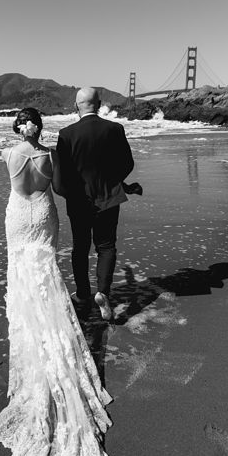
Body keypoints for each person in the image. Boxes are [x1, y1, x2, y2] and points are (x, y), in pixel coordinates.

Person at [0, 107, 113, 456]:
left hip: (17, 218)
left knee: (22, 276)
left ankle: (31, 332)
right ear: (38, 127)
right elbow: (58, 190)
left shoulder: (8, 154)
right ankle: (53, 328)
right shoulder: (50, 156)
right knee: (47, 275)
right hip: (43, 216)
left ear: (16, 126)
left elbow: (14, 181)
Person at [56, 87, 136, 321]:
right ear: (99, 104)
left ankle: (82, 295)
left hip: (79, 200)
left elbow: (63, 171)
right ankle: (103, 293)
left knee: (81, 248)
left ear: (76, 106)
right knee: (106, 246)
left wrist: (69, 192)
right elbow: (127, 163)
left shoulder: (66, 134)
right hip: (109, 198)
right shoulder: (115, 129)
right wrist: (113, 182)